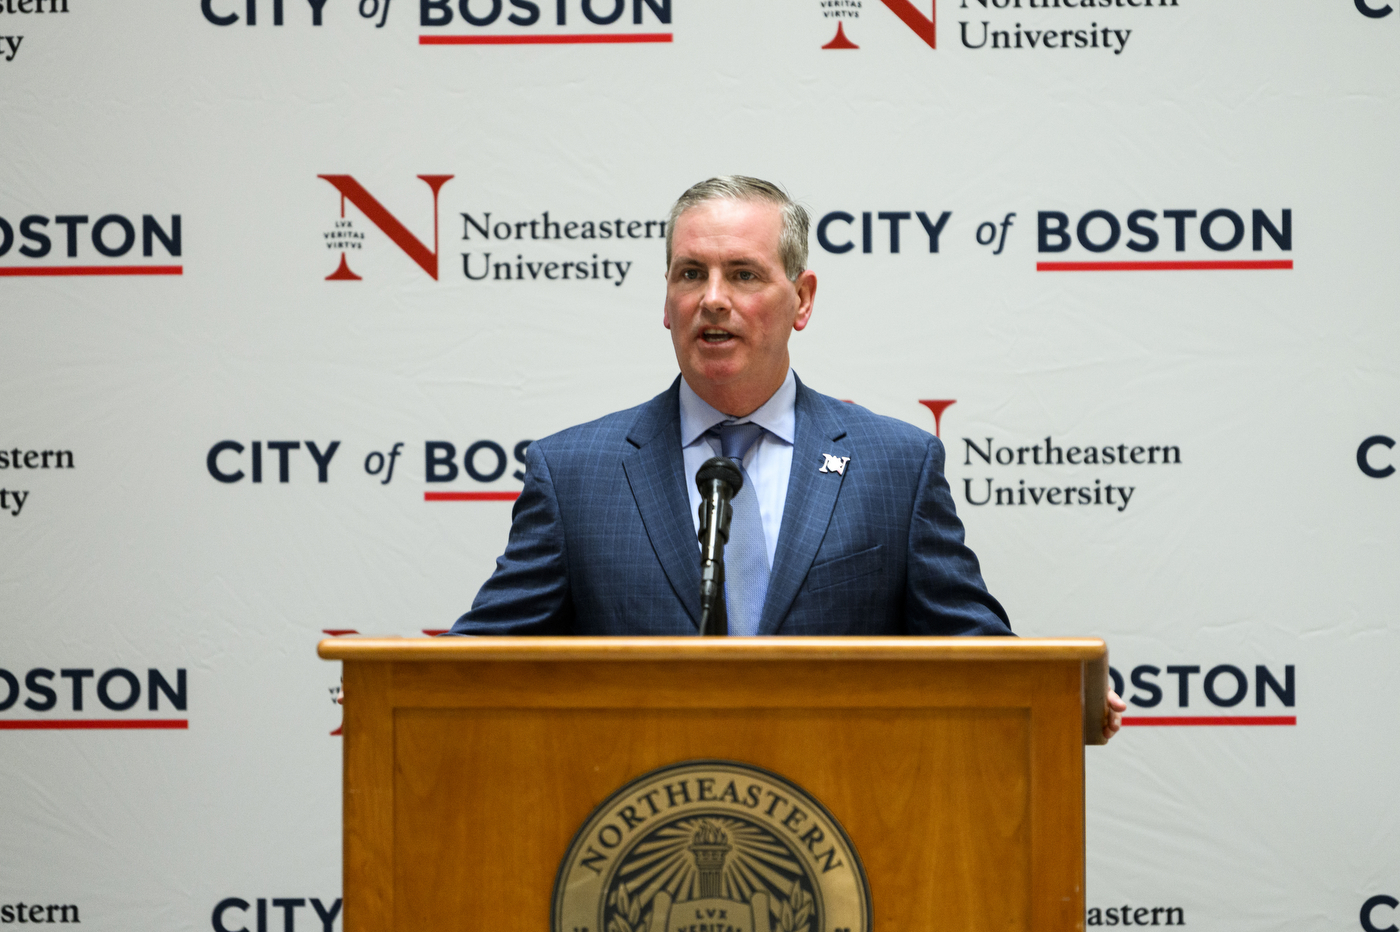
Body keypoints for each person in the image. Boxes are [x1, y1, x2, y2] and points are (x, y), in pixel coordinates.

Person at [449, 175, 1124, 739]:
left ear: (801, 300)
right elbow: (480, 666)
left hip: (842, 834)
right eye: (691, 274)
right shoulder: (574, 473)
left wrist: (1053, 697)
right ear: (666, 301)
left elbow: (968, 646)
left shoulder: (896, 465)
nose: (713, 298)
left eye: (743, 274)